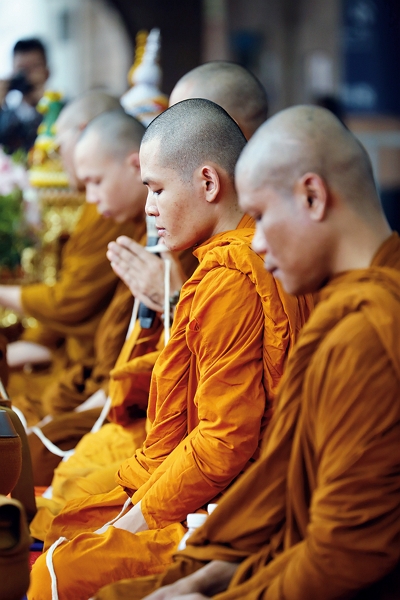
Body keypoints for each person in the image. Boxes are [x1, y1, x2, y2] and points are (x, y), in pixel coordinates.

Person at [92, 104, 400, 600]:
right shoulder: (350, 299)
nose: (254, 241)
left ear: (312, 198)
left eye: (259, 216)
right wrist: (211, 575)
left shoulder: (364, 331)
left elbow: (346, 551)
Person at [28, 98, 312, 600]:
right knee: (63, 523)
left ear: (207, 182)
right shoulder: (227, 264)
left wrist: (134, 522)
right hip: (205, 476)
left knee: (56, 569)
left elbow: (224, 441)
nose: (149, 208)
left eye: (157, 189)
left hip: (236, 501)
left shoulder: (231, 276)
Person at [4, 92, 140, 423]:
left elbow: (72, 301)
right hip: (88, 371)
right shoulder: (107, 204)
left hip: (107, 385)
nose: (59, 158)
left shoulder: (121, 212)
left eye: (59, 146)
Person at [109, 60, 269, 301]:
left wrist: (173, 297)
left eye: (186, 114)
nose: (174, 127)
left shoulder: (268, 232)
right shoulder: (199, 223)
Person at [0, 38, 49, 154]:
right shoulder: (5, 116)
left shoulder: (63, 110)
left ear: (47, 72)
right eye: (21, 69)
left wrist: (45, 106)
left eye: (34, 68)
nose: (27, 75)